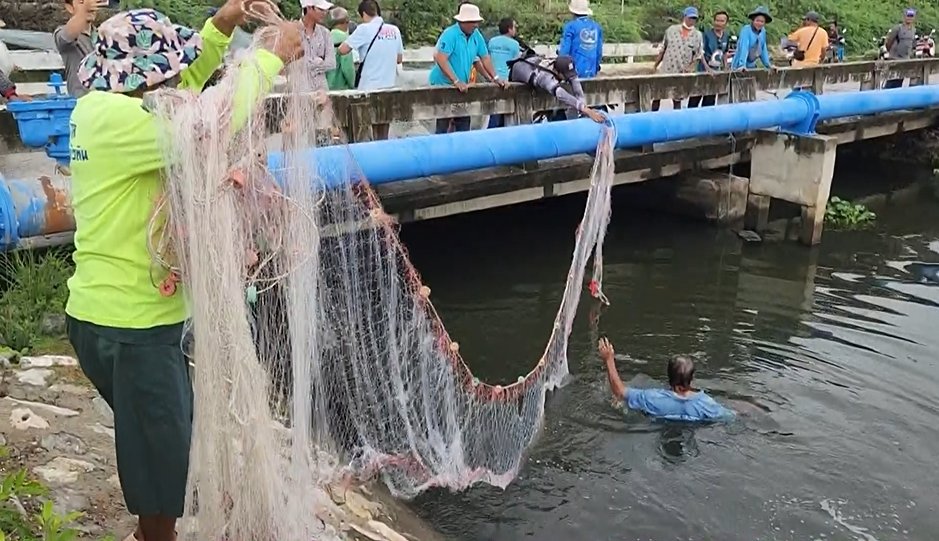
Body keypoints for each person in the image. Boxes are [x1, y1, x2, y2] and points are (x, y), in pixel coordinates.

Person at [65, 5, 302, 541]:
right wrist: (269, 57)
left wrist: (220, 27)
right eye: (169, 68)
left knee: (166, 432)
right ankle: (158, 535)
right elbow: (210, 120)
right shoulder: (125, 124)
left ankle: (168, 506)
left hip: (109, 315)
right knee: (159, 455)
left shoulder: (100, 108)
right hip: (133, 328)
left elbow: (183, 88)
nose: (177, 78)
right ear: (151, 75)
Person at [598, 338, 733, 422]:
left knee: (617, 401)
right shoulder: (707, 404)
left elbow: (619, 391)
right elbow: (730, 417)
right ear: (691, 379)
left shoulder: (652, 398)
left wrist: (609, 360)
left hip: (655, 419)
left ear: (669, 377)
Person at [428, 3, 506, 134]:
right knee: (444, 122)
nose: (475, 25)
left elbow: (484, 58)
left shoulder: (476, 35)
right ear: (462, 21)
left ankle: (462, 150)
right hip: (444, 83)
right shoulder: (450, 34)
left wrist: (495, 77)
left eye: (476, 22)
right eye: (472, 22)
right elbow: (440, 58)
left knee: (463, 120)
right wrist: (456, 81)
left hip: (463, 86)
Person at [338, 0, 404, 139]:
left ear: (363, 14)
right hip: (389, 85)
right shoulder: (394, 30)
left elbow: (343, 50)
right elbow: (399, 59)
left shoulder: (363, 29)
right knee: (384, 125)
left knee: (366, 127)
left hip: (368, 87)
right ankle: (383, 152)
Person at [507, 51, 605, 123]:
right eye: (565, 75)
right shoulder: (545, 77)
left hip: (531, 67)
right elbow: (560, 93)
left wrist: (583, 105)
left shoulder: (563, 66)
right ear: (557, 72)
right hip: (517, 76)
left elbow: (575, 83)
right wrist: (585, 110)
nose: (568, 78)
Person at [652, 6, 704, 111]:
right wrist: (655, 65)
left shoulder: (697, 35)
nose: (692, 21)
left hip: (682, 71)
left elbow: (698, 55)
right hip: (667, 69)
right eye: (690, 18)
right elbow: (663, 48)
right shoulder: (671, 30)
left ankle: (676, 122)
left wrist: (690, 68)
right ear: (684, 17)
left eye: (694, 18)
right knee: (657, 96)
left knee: (677, 99)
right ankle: (653, 117)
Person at [55, 0, 106, 97]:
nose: (90, 5)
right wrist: (84, 10)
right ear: (69, 8)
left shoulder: (103, 35)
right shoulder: (61, 33)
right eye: (81, 2)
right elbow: (68, 35)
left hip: (105, 101)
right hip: (80, 102)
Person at [689, 10, 730, 108]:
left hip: (716, 72)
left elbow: (725, 53)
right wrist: (707, 68)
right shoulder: (706, 35)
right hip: (703, 71)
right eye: (717, 20)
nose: (718, 23)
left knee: (710, 101)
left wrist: (725, 67)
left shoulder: (726, 36)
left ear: (726, 23)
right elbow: (700, 53)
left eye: (721, 21)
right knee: (695, 99)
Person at [486, 18, 521, 128]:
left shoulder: (492, 41)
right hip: (507, 81)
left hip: (493, 79)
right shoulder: (515, 44)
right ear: (509, 29)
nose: (515, 29)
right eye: (514, 27)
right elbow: (517, 63)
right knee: (507, 114)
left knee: (494, 112)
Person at [559, 0, 603, 79]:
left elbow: (564, 52)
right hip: (591, 72)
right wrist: (596, 68)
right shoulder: (597, 27)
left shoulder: (570, 27)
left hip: (574, 73)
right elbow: (599, 52)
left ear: (573, 12)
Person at [300, 0, 337, 92]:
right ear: (309, 8)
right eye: (320, 9)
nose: (324, 13)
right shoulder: (293, 32)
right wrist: (318, 62)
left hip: (321, 90)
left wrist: (308, 64)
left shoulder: (325, 33)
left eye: (325, 10)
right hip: (299, 90)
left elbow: (331, 63)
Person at [731, 6, 774, 71]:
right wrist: (742, 65)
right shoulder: (746, 30)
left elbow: (763, 49)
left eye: (762, 22)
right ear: (753, 20)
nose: (759, 23)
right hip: (739, 65)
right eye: (757, 21)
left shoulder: (763, 32)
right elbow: (744, 48)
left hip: (751, 65)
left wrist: (768, 65)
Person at [884, 8, 917, 89]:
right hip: (895, 59)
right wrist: (891, 54)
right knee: (892, 81)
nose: (909, 18)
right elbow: (888, 41)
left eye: (911, 16)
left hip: (906, 59)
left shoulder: (913, 30)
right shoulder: (897, 28)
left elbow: (912, 44)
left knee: (900, 80)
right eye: (908, 16)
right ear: (904, 16)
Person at [325, 7, 355, 90]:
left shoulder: (326, 37)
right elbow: (347, 68)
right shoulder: (344, 39)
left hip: (327, 86)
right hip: (341, 87)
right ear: (344, 22)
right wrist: (352, 84)